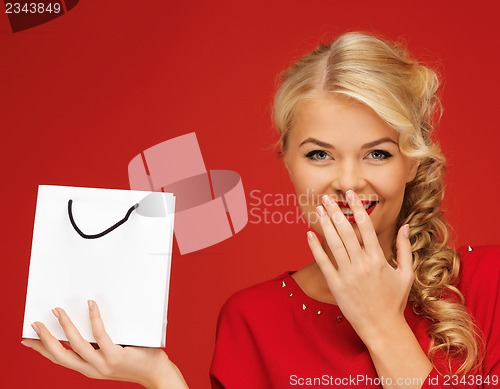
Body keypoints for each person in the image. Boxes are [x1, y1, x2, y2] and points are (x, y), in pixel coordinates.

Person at [22, 32, 500, 389]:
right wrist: (158, 376)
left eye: (378, 153)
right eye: (319, 154)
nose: (349, 181)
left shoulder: (487, 285)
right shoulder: (252, 319)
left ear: (413, 163)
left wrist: (379, 323)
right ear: (288, 163)